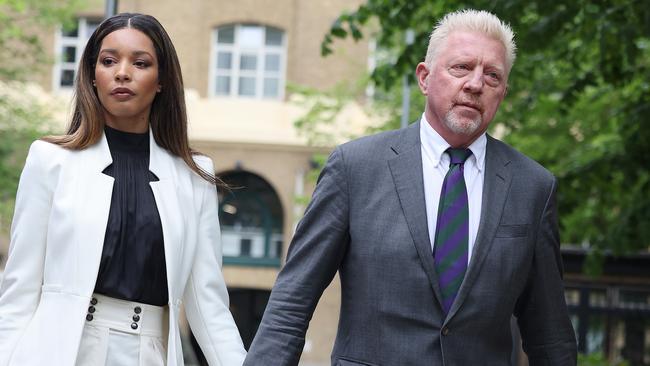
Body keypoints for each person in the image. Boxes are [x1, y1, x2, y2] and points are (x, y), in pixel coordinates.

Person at [244, 9, 577, 366]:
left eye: (492, 75)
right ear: (424, 77)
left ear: (503, 92)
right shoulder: (354, 169)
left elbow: (550, 334)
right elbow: (292, 303)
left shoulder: (533, 188)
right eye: (461, 67)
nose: (475, 84)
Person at [0, 13, 246, 366]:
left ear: (162, 80)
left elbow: (209, 307)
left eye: (141, 63)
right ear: (92, 75)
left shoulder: (194, 176)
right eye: (108, 61)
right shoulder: (50, 161)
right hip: (60, 351)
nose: (122, 73)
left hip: (150, 354)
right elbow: (18, 295)